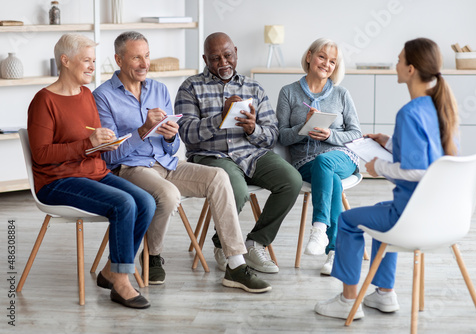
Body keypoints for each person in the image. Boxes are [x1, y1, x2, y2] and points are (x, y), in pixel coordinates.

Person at [93, 31, 271, 293]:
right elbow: (108, 156)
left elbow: (175, 146)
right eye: (136, 58)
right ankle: (152, 256)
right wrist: (143, 130)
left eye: (147, 56)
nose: (144, 64)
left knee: (218, 177)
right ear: (119, 60)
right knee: (168, 195)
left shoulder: (159, 89)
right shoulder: (103, 96)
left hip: (168, 164)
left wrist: (170, 137)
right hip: (131, 169)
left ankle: (235, 264)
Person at [314, 37, 459, 319]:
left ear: (410, 69)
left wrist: (379, 166)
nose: (396, 64)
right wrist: (390, 142)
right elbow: (429, 155)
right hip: (436, 213)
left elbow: (418, 171)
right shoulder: (434, 106)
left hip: (411, 216)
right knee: (380, 212)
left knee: (347, 220)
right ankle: (384, 294)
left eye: (399, 59)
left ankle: (347, 300)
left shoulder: (409, 112)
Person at [27, 33, 156, 309]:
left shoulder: (86, 95)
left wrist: (106, 141)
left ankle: (111, 270)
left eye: (94, 61)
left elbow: (94, 144)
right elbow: (41, 154)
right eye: (86, 60)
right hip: (57, 181)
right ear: (65, 60)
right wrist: (88, 143)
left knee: (145, 201)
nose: (91, 67)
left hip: (93, 172)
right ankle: (121, 282)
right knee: (123, 203)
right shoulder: (44, 101)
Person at [175, 32, 303, 274]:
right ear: (205, 58)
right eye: (215, 58)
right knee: (236, 188)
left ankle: (256, 242)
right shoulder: (190, 87)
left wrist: (253, 129)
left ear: (236, 52)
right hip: (211, 156)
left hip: (251, 153)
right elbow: (187, 134)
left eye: (228, 55)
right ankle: (223, 244)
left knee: (291, 180)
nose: (223, 63)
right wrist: (219, 118)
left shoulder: (253, 87)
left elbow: (272, 135)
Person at [276, 38, 362, 275]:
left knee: (326, 163)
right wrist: (303, 127)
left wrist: (330, 135)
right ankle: (335, 251)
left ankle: (318, 229)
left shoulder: (342, 94)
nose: (326, 64)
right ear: (309, 56)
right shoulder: (288, 93)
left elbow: (356, 133)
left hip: (342, 157)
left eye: (332, 61)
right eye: (322, 57)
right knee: (329, 177)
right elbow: (281, 137)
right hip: (306, 163)